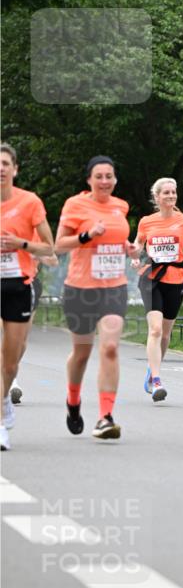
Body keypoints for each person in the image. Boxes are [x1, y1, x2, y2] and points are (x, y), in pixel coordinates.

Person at [55, 156, 139, 440]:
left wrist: (127, 247)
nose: (105, 181)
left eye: (110, 176)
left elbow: (116, 241)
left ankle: (105, 416)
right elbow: (59, 245)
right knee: (81, 353)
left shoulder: (121, 206)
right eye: (99, 176)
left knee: (111, 348)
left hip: (114, 287)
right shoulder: (75, 205)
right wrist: (87, 235)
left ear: (115, 180)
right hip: (80, 289)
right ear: (89, 179)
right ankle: (73, 400)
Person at [0, 143, 55, 450]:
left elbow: (49, 247)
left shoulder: (30, 202)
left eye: (6, 163)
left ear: (15, 169)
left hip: (18, 284)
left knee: (11, 360)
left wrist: (21, 243)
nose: (1, 168)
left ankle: (5, 395)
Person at [131, 177, 183, 402]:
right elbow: (137, 246)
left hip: (175, 278)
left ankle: (153, 370)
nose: (171, 196)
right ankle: (157, 379)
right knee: (154, 330)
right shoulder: (146, 222)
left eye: (173, 192)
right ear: (157, 197)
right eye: (166, 193)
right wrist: (134, 258)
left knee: (165, 333)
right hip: (151, 278)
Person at [8, 242, 59, 405]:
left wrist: (38, 254)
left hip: (28, 283)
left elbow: (53, 259)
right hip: (4, 282)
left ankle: (11, 376)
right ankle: (10, 381)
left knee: (21, 338)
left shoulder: (35, 230)